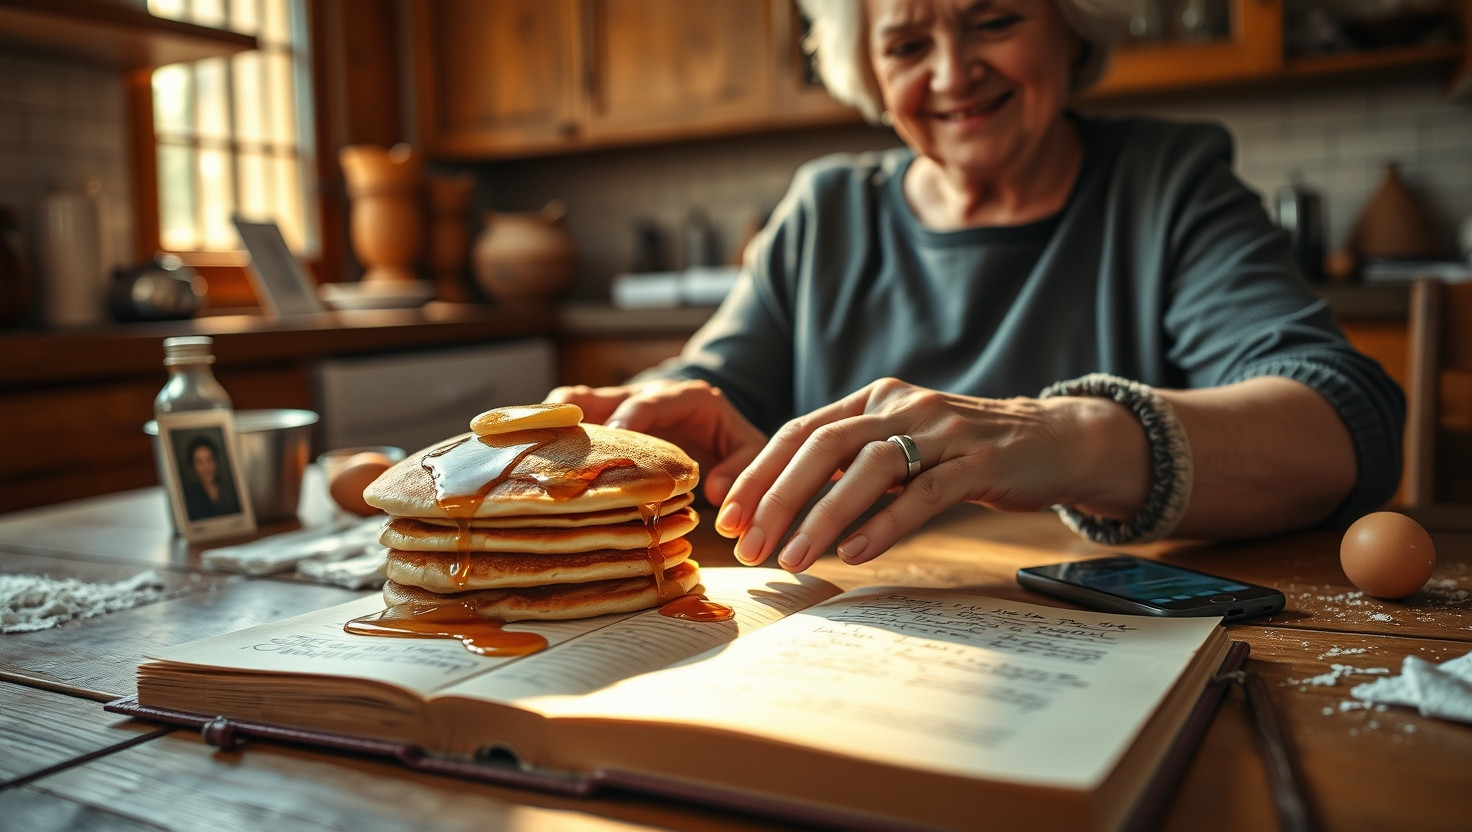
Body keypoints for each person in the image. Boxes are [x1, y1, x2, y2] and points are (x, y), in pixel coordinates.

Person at [547, 0, 1404, 574]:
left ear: (1071, 26)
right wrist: (662, 412)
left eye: (992, 19)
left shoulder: (1167, 183)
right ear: (871, 73)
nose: (954, 74)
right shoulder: (826, 208)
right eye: (909, 45)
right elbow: (720, 389)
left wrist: (1061, 438)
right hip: (853, 647)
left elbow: (1344, 427)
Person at [181, 434, 241, 520]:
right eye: (200, 462)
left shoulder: (231, 490)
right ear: (193, 466)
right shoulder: (188, 496)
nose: (206, 467)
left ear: (216, 461)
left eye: (209, 460)